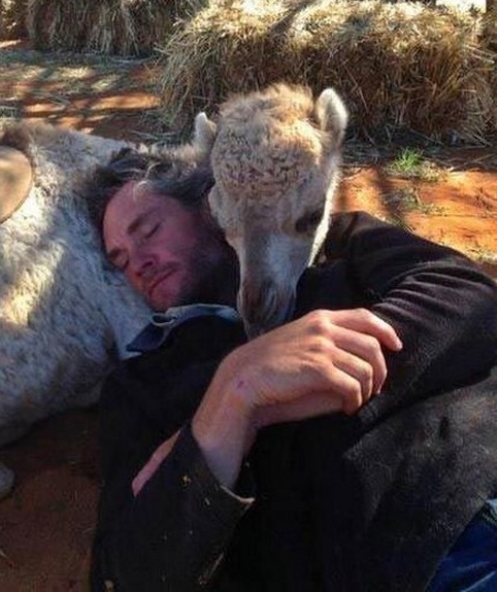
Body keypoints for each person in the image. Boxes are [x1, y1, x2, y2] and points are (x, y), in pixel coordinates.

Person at [84, 148, 497, 591]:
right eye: (121, 260)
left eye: (147, 230)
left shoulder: (329, 243)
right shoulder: (140, 385)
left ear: (209, 208)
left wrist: (268, 404)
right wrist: (234, 391)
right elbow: (125, 575)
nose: (139, 262)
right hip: (410, 568)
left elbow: (473, 301)